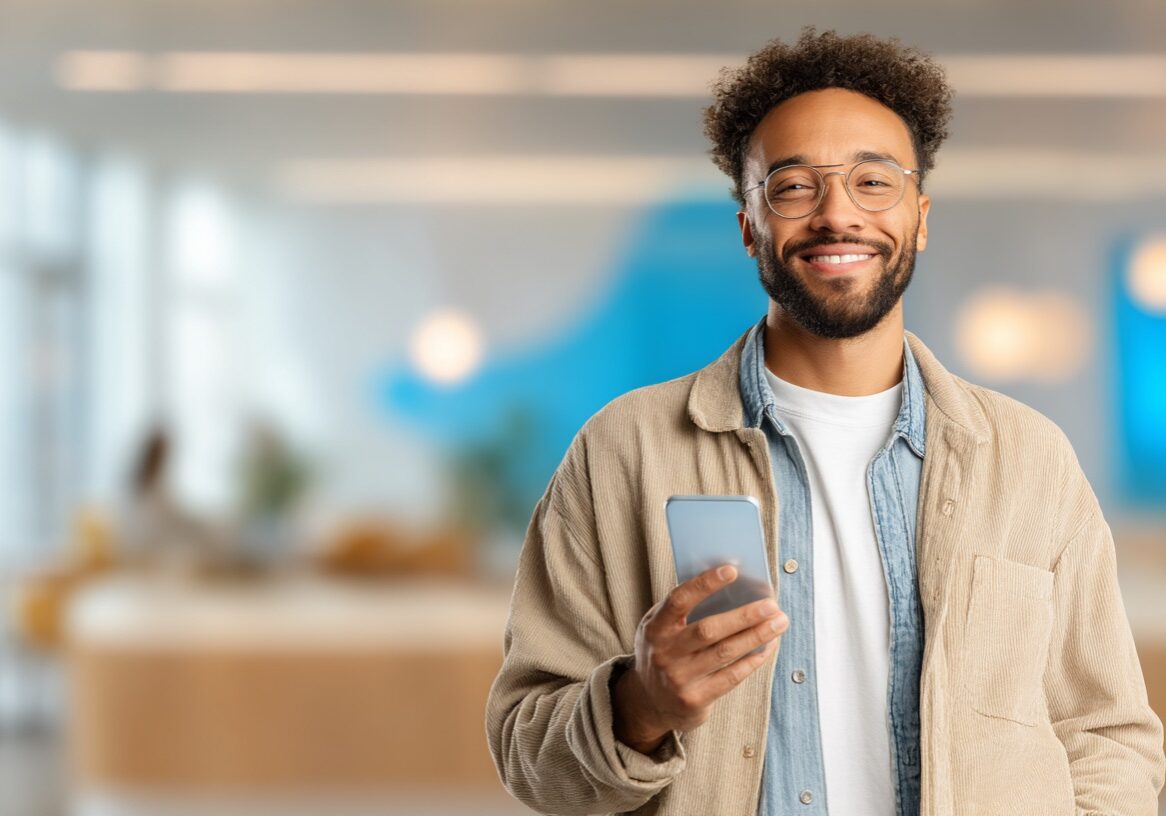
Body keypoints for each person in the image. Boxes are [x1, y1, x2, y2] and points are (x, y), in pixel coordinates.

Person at [485, 29, 1166, 816]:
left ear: (919, 215)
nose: (838, 215)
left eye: (873, 181)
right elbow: (526, 754)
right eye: (794, 186)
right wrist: (639, 706)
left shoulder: (1028, 459)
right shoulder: (623, 452)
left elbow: (1107, 733)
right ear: (749, 224)